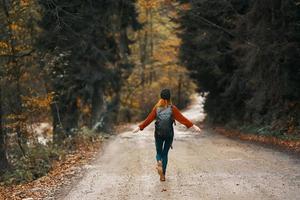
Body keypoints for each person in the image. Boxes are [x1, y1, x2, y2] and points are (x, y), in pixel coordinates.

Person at [133, 89, 201, 181]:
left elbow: (148, 119)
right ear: (169, 98)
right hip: (169, 134)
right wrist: (193, 126)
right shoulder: (172, 108)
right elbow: (182, 119)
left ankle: (159, 161)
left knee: (159, 153)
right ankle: (163, 175)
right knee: (165, 154)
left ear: (161, 97)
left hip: (158, 134)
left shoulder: (156, 108)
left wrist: (139, 127)